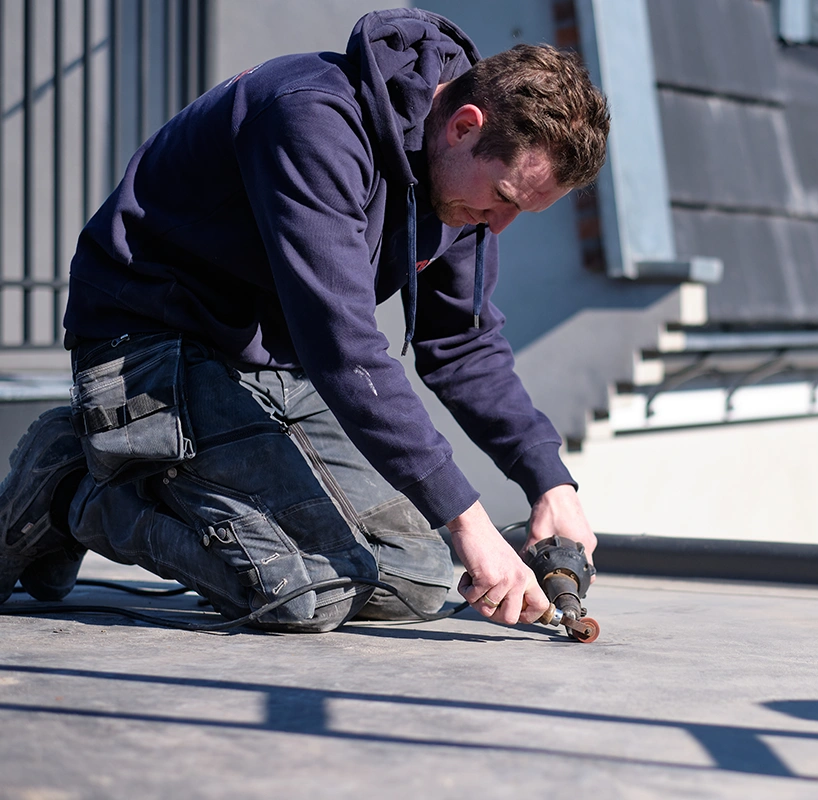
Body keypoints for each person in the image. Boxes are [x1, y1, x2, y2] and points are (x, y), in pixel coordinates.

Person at [0, 8, 609, 632]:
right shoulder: (310, 117)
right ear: (462, 125)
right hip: (149, 344)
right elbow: (343, 346)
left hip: (276, 365)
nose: (498, 225)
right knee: (294, 594)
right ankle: (75, 488)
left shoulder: (459, 189)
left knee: (419, 580)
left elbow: (461, 344)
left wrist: (549, 483)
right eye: (504, 199)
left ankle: (117, 479)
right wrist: (471, 522)